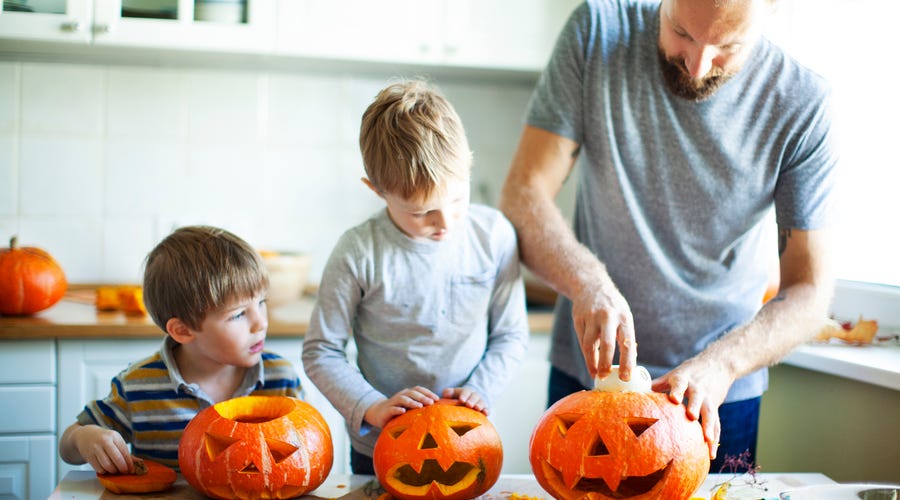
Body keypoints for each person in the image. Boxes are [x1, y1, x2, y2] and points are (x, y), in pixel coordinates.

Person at [499, 0, 837, 472]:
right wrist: (586, 281)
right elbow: (523, 192)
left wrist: (720, 365)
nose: (697, 66)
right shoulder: (598, 31)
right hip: (590, 380)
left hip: (719, 394)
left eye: (727, 46)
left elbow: (809, 289)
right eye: (681, 33)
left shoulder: (803, 103)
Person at [302, 79, 529, 475]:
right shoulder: (358, 252)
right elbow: (321, 351)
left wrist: (481, 389)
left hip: (467, 438)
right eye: (422, 212)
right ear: (376, 190)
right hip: (378, 446)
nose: (445, 222)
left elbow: (510, 335)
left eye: (458, 199)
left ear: (468, 165)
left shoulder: (494, 236)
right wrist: (371, 407)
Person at [59, 225, 302, 474]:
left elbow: (302, 454)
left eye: (261, 303)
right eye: (238, 314)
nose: (261, 322)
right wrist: (85, 438)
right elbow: (67, 447)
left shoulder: (280, 378)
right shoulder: (138, 386)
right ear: (183, 331)